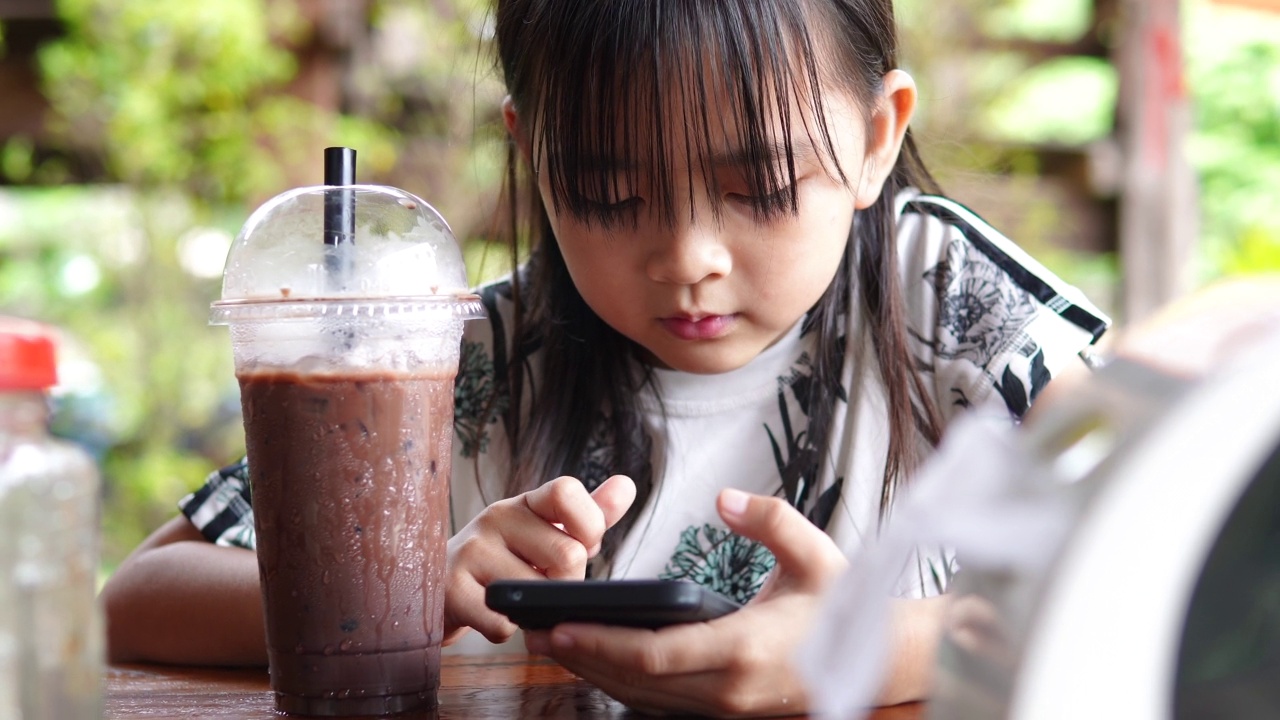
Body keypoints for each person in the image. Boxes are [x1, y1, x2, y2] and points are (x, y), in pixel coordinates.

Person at [101, 0, 1109, 715]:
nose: (686, 261)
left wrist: (867, 649)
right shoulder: (474, 359)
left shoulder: (944, 296)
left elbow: (1191, 559)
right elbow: (138, 599)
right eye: (608, 195)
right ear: (533, 155)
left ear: (878, 134)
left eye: (758, 188)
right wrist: (415, 586)